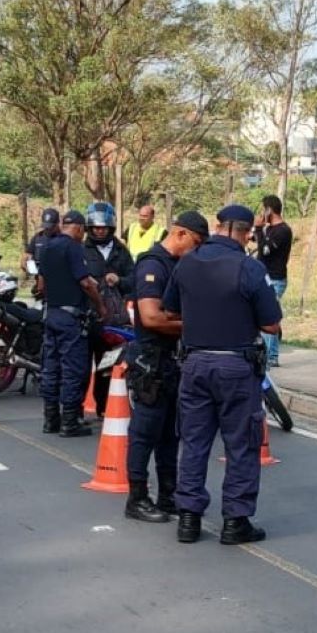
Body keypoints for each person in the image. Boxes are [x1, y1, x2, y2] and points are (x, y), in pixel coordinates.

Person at [162, 204, 281, 545]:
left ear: (217, 226)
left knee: (194, 443)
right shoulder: (249, 268)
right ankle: (236, 521)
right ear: (247, 232)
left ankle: (188, 518)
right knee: (241, 445)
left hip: (194, 363)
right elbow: (271, 323)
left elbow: (171, 309)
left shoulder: (186, 265)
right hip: (236, 365)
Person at [123, 211, 208, 523]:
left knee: (170, 433)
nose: (196, 251)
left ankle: (168, 494)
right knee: (145, 430)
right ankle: (137, 497)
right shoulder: (152, 264)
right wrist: (195, 327)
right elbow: (151, 317)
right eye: (195, 243)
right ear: (181, 234)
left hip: (174, 360)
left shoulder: (180, 265)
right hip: (151, 360)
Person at [37, 211, 108, 437]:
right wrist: (100, 306)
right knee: (73, 369)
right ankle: (69, 420)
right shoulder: (73, 247)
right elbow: (86, 282)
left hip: (52, 314)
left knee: (51, 367)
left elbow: (40, 285)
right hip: (71, 318)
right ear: (77, 228)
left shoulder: (47, 246)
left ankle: (50, 419)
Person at [83, 201, 134, 416]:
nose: (99, 231)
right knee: (82, 367)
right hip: (87, 317)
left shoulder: (121, 251)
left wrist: (119, 280)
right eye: (95, 228)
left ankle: (105, 408)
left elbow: (134, 280)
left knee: (107, 364)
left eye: (103, 227)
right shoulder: (81, 250)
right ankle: (74, 411)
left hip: (112, 320)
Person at [253, 195, 292, 366]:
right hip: (265, 277)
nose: (262, 213)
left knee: (269, 316)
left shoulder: (282, 230)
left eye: (263, 209)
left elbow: (265, 250)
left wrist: (258, 229)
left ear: (269, 210)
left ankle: (271, 357)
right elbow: (258, 242)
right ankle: (271, 355)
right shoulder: (269, 229)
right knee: (265, 315)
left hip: (275, 278)